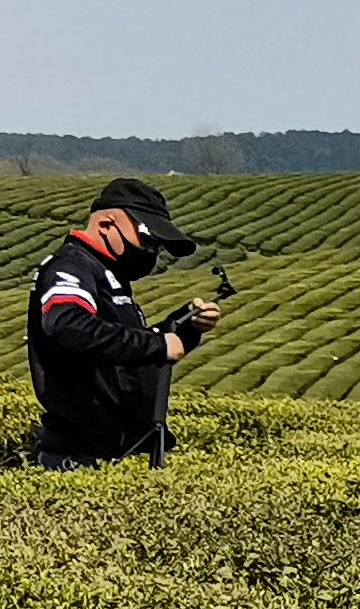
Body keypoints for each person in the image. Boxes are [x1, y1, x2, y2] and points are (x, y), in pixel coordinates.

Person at [27, 176, 223, 468]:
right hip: (80, 456)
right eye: (147, 239)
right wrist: (158, 345)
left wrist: (184, 328)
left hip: (114, 451)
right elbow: (69, 326)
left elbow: (122, 350)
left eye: (157, 245)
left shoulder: (106, 274)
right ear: (106, 224)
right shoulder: (71, 267)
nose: (152, 252)